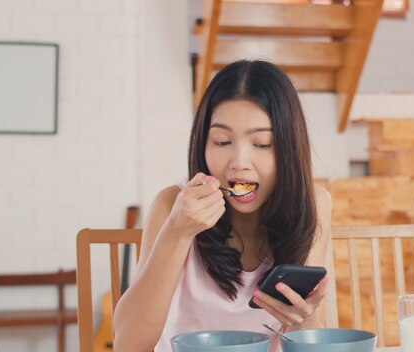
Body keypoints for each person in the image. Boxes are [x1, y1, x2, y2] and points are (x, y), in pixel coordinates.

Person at [112, 60, 333, 352]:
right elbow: (128, 344)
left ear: (289, 148)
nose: (239, 162)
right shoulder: (171, 206)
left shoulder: (312, 205)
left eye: (262, 143)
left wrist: (301, 322)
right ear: (203, 144)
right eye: (222, 140)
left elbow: (321, 337)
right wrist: (177, 234)